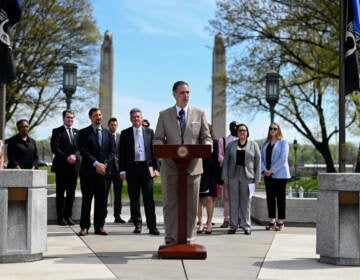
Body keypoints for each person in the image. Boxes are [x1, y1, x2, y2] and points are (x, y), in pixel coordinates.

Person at [153, 80, 212, 245]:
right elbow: (158, 139)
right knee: (170, 205)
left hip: (193, 168)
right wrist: (161, 149)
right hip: (171, 168)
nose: (186, 96)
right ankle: (171, 239)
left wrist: (208, 146)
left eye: (188, 92)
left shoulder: (199, 114)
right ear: (174, 94)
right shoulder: (164, 115)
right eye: (182, 92)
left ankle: (189, 239)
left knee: (192, 206)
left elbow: (206, 137)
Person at [118, 108, 160, 235]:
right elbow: (122, 154)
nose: (136, 119)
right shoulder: (125, 133)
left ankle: (152, 226)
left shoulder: (149, 132)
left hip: (147, 169)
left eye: (138, 117)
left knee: (149, 199)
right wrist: (122, 171)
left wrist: (156, 168)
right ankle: (137, 224)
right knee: (134, 199)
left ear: (142, 118)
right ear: (131, 119)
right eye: (134, 117)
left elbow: (154, 152)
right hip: (132, 169)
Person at [77, 108, 115, 236]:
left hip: (103, 173)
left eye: (99, 115)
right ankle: (84, 227)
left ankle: (99, 227)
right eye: (95, 115)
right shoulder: (83, 133)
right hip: (88, 173)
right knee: (87, 201)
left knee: (101, 201)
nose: (98, 117)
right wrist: (96, 163)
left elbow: (112, 152)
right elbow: (83, 150)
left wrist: (104, 164)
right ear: (90, 117)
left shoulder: (108, 133)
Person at [222, 123, 261, 235]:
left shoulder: (254, 145)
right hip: (233, 175)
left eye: (244, 130)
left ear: (247, 132)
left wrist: (257, 179)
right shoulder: (231, 145)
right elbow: (225, 162)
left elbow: (258, 163)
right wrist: (224, 176)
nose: (242, 132)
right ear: (237, 133)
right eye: (240, 130)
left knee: (246, 202)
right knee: (233, 201)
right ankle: (233, 225)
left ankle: (246, 226)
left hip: (248, 176)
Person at [50, 110, 80, 226]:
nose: (70, 120)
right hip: (62, 167)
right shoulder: (57, 131)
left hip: (74, 168)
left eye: (72, 118)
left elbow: (80, 148)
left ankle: (68, 216)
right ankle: (60, 218)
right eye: (68, 118)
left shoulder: (77, 132)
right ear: (63, 118)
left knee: (71, 194)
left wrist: (75, 156)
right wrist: (67, 157)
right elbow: (55, 148)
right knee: (60, 193)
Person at [261, 122, 290, 231]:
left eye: (275, 128)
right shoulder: (265, 143)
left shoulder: (283, 142)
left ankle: (281, 222)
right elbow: (261, 158)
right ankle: (272, 221)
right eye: (270, 128)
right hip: (267, 174)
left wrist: (272, 170)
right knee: (270, 198)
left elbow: (283, 159)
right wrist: (264, 170)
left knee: (281, 199)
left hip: (280, 175)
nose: (272, 130)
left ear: (278, 130)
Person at [197, 124, 219, 235]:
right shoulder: (196, 142)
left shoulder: (215, 142)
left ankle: (209, 223)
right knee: (198, 200)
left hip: (210, 174)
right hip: (197, 173)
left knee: (209, 199)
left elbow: (215, 159)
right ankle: (200, 223)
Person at [218, 121, 239, 228]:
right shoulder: (223, 141)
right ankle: (227, 218)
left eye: (236, 126)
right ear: (229, 128)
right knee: (227, 197)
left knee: (239, 196)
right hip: (227, 172)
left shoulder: (243, 140)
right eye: (232, 126)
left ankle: (239, 218)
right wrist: (229, 162)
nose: (234, 128)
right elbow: (219, 155)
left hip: (241, 172)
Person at [105, 117, 125, 224]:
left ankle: (117, 216)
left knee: (118, 194)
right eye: (111, 124)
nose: (113, 126)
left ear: (117, 126)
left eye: (115, 125)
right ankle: (103, 215)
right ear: (108, 126)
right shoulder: (104, 136)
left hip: (118, 170)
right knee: (104, 193)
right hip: (107, 169)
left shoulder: (121, 137)